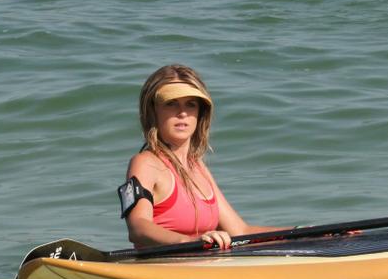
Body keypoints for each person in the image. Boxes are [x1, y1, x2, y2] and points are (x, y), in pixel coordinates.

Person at [118, 64, 283, 250]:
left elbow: (241, 231)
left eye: (191, 104)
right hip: (163, 269)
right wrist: (190, 241)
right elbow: (138, 227)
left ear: (200, 113)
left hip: (205, 266)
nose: (182, 113)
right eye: (171, 103)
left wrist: (298, 233)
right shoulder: (146, 163)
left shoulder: (198, 168)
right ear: (153, 110)